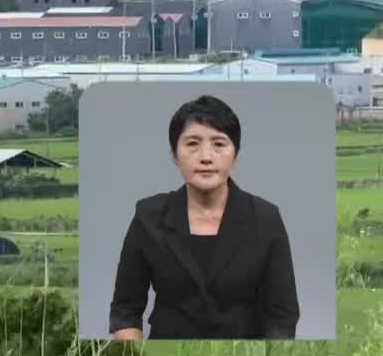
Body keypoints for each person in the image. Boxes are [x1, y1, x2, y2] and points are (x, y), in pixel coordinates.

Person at [108, 94, 298, 340]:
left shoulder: (265, 218)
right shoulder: (148, 217)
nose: (206, 157)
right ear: (175, 155)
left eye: (219, 144)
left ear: (236, 155)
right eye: (192, 144)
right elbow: (125, 311)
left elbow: (282, 315)